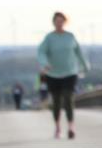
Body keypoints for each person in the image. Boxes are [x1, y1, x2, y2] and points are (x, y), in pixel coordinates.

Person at [38, 11, 89, 140]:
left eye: (61, 21)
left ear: (65, 22)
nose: (59, 23)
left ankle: (71, 127)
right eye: (57, 21)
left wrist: (85, 65)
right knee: (56, 102)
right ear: (54, 22)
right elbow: (41, 52)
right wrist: (45, 64)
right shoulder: (49, 38)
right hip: (53, 74)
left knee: (68, 99)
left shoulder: (70, 36)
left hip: (70, 73)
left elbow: (79, 52)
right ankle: (57, 126)